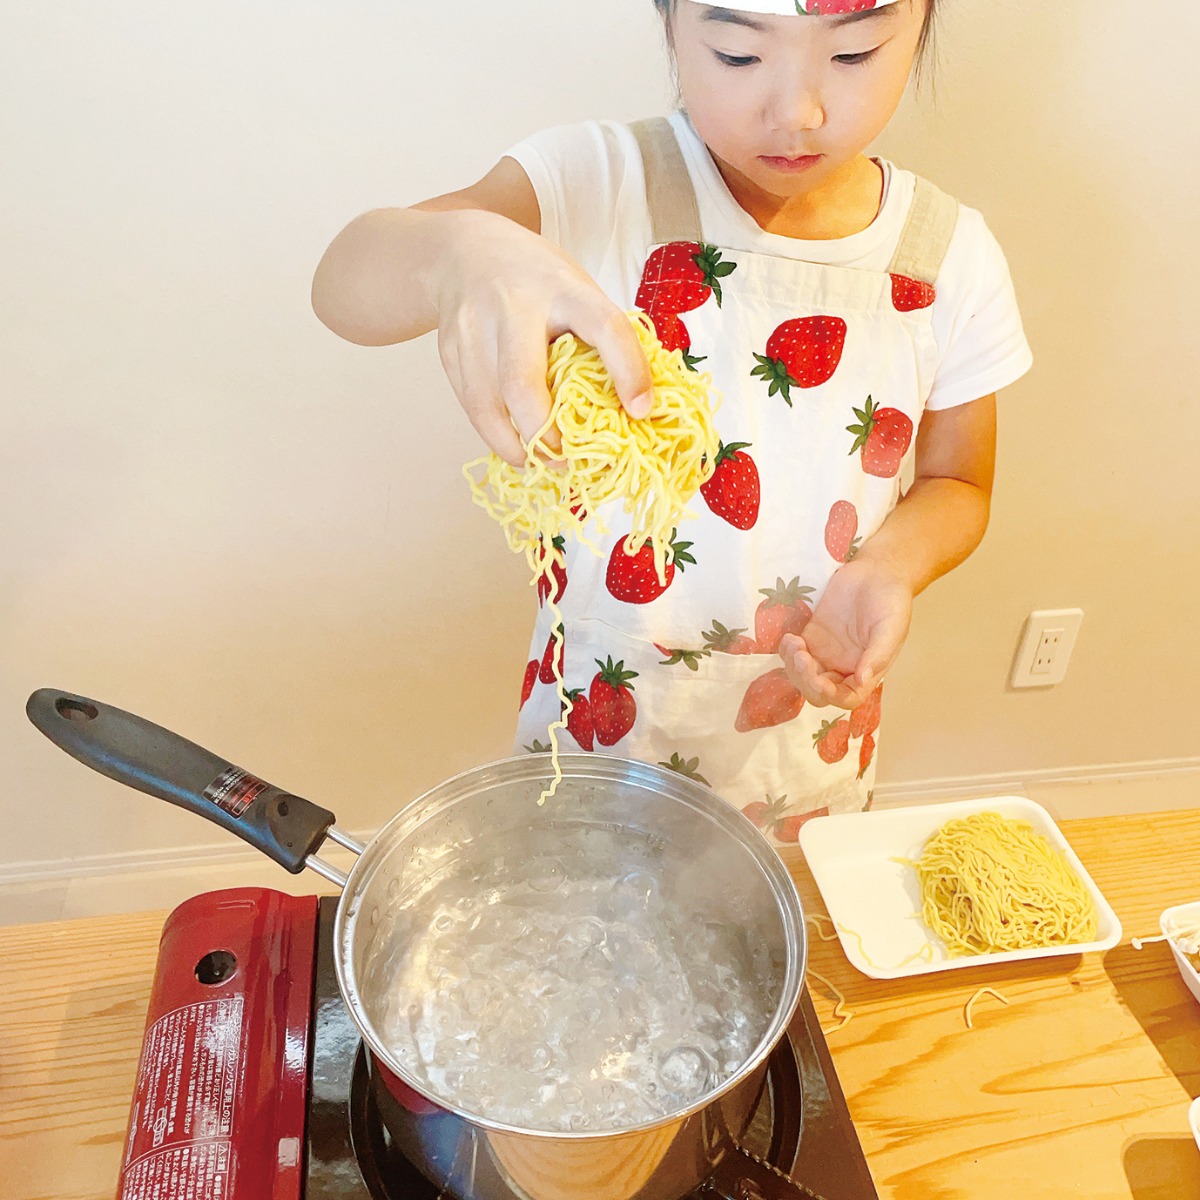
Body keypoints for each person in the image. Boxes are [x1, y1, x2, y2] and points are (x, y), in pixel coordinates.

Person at [311, 0, 1032, 849]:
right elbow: (344, 287)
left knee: (775, 952)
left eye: (853, 55)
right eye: (736, 55)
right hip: (599, 716)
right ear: (672, 27)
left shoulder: (947, 253)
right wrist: (459, 250)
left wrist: (890, 568)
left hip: (808, 735)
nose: (795, 111)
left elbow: (958, 481)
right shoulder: (598, 180)